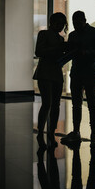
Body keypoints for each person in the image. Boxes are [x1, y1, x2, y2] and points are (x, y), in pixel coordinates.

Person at [60, 11, 95, 148]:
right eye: (74, 23)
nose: (76, 25)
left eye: (77, 22)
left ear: (84, 20)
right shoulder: (78, 34)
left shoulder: (93, 32)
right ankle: (83, 133)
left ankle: (90, 133)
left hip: (87, 73)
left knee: (89, 104)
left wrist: (86, 52)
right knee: (81, 104)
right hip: (81, 72)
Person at [33, 12, 68, 149]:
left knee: (54, 104)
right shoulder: (45, 34)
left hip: (53, 72)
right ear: (52, 23)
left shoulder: (59, 39)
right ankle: (42, 132)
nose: (61, 26)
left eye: (62, 24)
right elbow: (38, 52)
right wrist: (59, 49)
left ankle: (48, 132)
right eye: (59, 24)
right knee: (48, 103)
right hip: (47, 72)